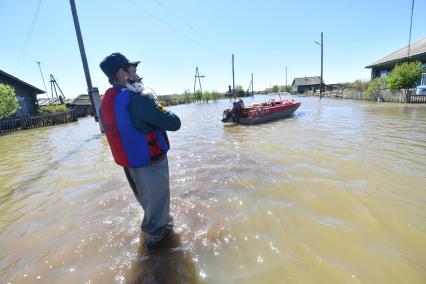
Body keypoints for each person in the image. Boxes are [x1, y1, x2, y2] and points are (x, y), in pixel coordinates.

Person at [99, 53, 181, 247]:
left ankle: (156, 232)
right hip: (149, 164)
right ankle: (157, 251)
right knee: (157, 213)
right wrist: (151, 97)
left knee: (150, 203)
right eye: (133, 70)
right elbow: (174, 123)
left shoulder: (109, 99)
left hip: (130, 164)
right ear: (122, 74)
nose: (138, 74)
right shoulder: (139, 99)